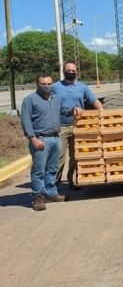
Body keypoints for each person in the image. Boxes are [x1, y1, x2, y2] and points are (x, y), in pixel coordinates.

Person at [21, 75, 71, 211]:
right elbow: (25, 121)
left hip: (55, 138)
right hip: (40, 139)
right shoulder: (30, 100)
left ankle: (51, 193)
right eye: (43, 83)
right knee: (39, 170)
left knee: (52, 169)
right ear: (37, 84)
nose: (46, 86)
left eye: (49, 83)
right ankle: (38, 196)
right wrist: (33, 138)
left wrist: (73, 110)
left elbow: (62, 112)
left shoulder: (56, 99)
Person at [52, 61, 103, 189]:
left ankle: (71, 181)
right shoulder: (55, 87)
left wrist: (102, 113)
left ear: (76, 72)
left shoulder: (82, 87)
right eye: (68, 71)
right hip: (61, 126)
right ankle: (54, 185)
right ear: (64, 72)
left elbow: (94, 101)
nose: (71, 73)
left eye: (73, 71)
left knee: (75, 156)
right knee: (60, 157)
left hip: (78, 126)